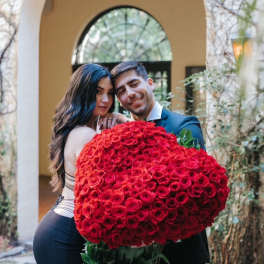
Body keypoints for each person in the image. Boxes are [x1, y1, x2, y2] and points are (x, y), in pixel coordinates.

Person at [111, 61, 210, 264]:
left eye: (134, 83)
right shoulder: (117, 137)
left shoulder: (184, 126)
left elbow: (195, 193)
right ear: (119, 100)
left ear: (150, 83)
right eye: (121, 91)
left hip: (182, 253)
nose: (129, 93)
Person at [33, 64, 126, 264]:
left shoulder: (83, 128)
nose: (105, 100)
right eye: (97, 92)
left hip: (59, 228)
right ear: (82, 92)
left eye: (110, 94)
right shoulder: (86, 134)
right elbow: (108, 189)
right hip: (63, 237)